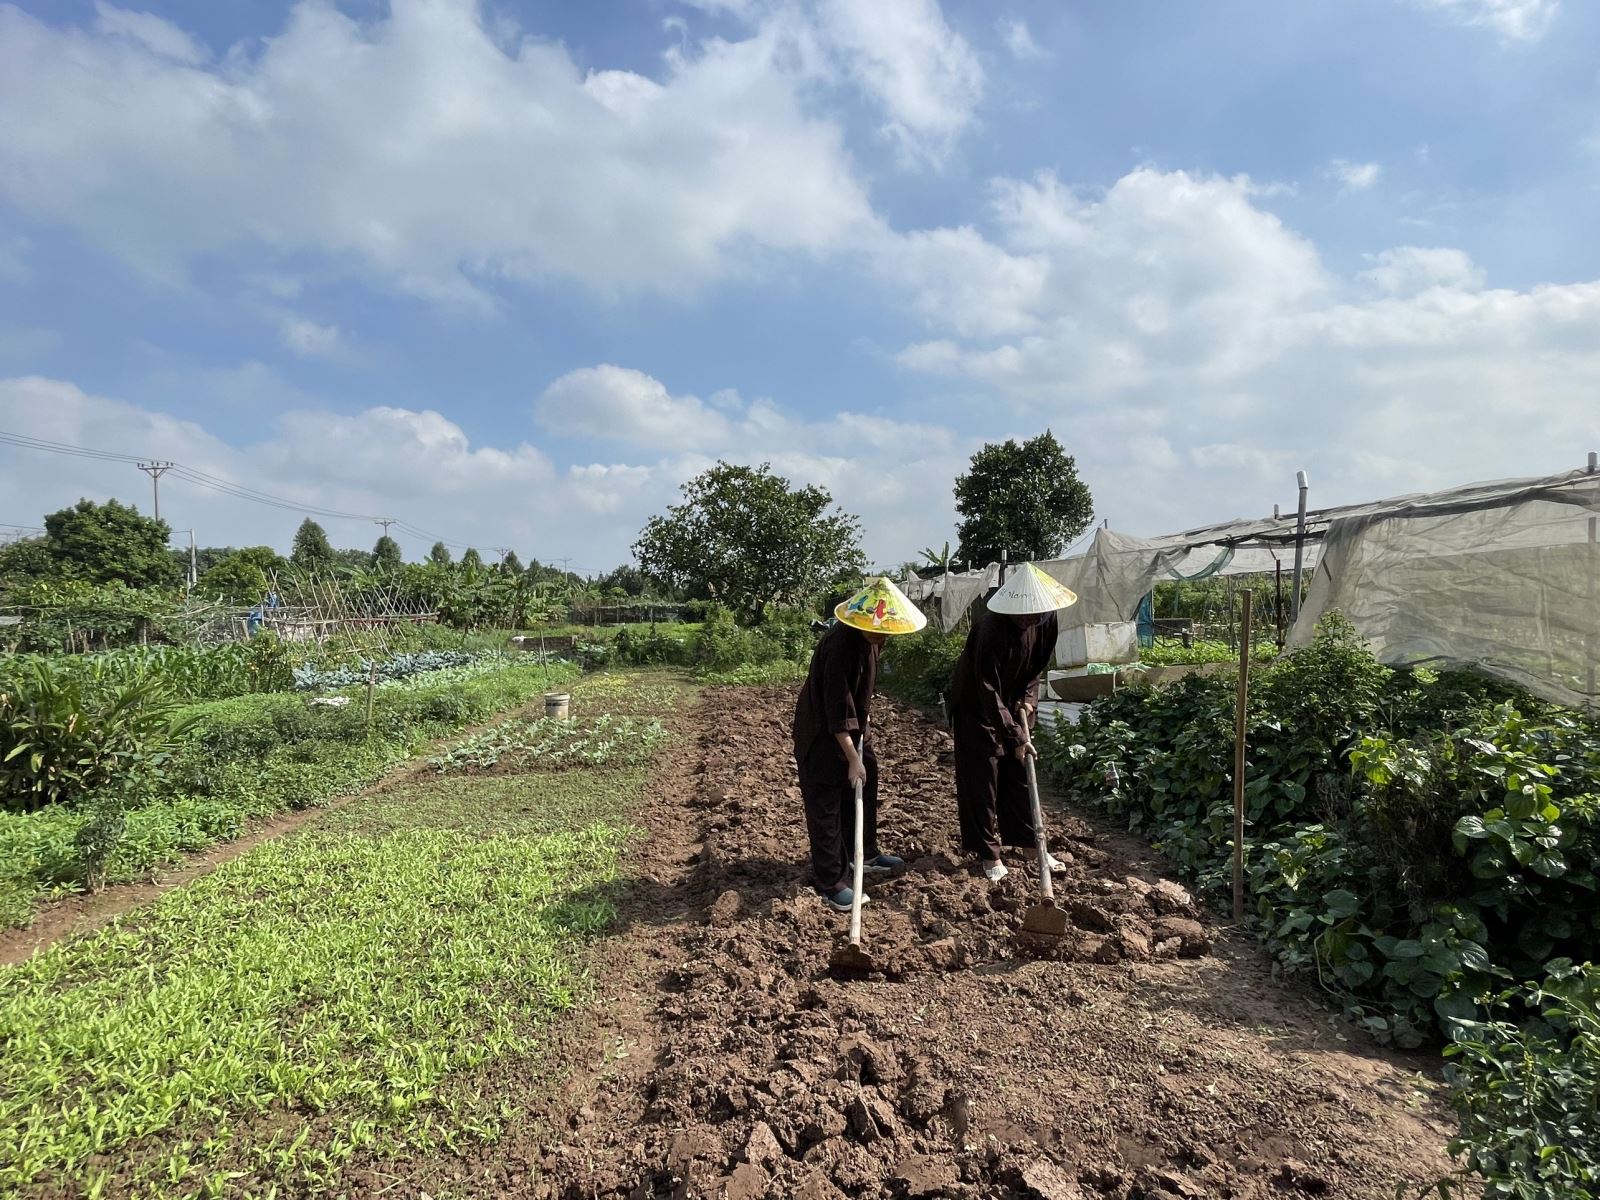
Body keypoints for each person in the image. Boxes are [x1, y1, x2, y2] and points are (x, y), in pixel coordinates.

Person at [792, 577, 927, 912]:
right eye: (879, 631)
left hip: (851, 729)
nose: (883, 638)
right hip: (822, 733)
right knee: (827, 801)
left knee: (865, 780)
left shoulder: (871, 640)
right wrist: (852, 757)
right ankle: (831, 881)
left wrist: (861, 738)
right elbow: (836, 707)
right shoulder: (840, 643)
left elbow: (859, 693)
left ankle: (862, 854)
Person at [946, 562, 1078, 881]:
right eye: (1022, 614)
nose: (1027, 619)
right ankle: (989, 854)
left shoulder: (1047, 622)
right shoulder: (991, 627)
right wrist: (1014, 735)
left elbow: (1036, 668)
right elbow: (986, 687)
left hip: (1015, 702)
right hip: (976, 707)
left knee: (1019, 772)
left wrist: (1029, 702)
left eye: (1033, 614)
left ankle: (1033, 846)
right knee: (984, 776)